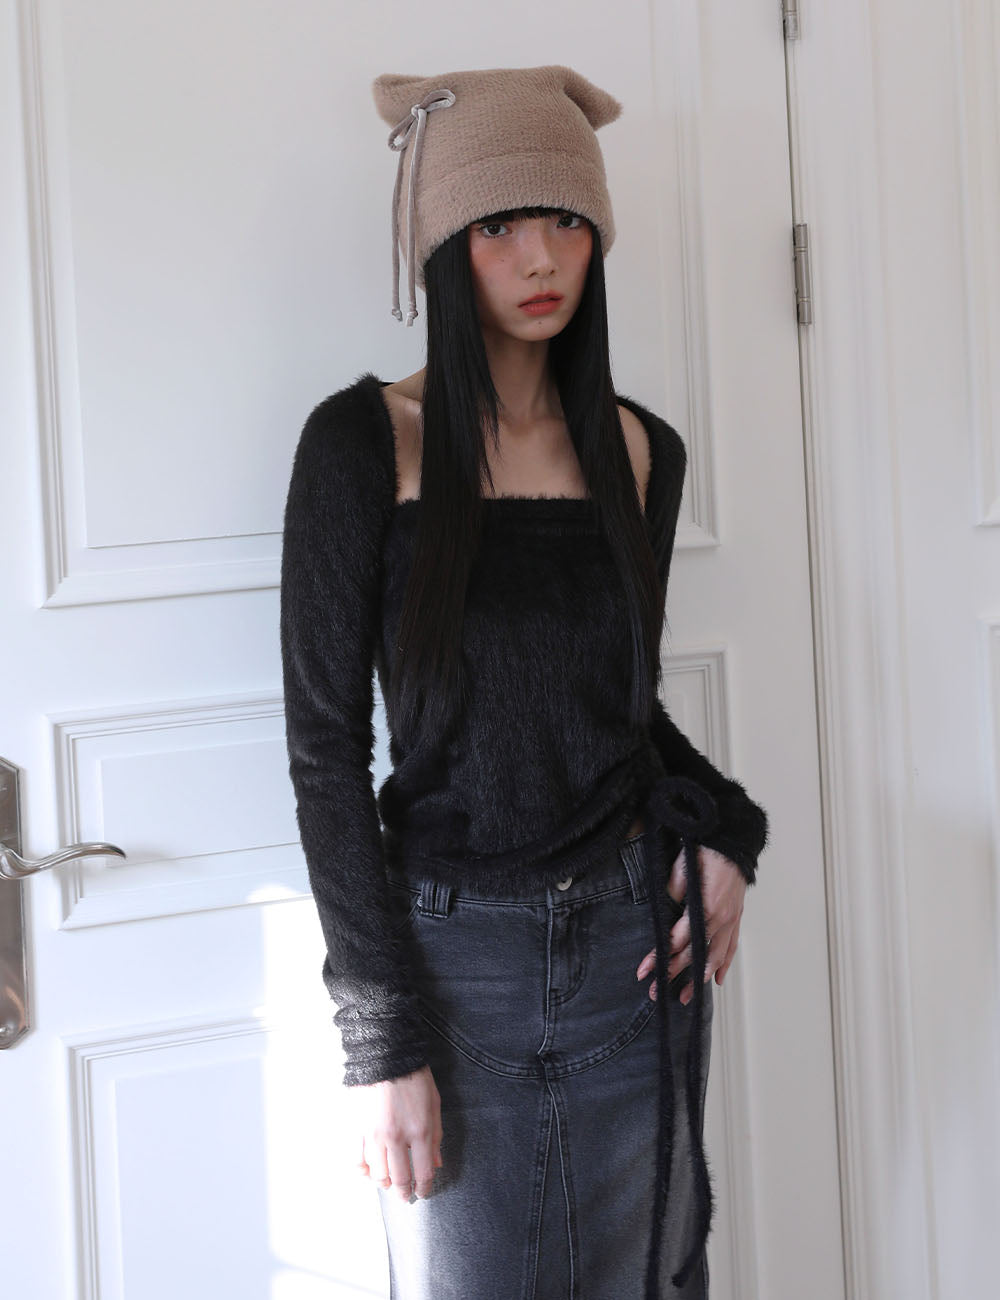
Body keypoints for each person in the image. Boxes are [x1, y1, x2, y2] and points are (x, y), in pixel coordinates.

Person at [279, 64, 769, 1300]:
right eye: (499, 224)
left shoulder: (641, 450)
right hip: (457, 972)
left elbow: (619, 715)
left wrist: (728, 830)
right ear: (444, 246)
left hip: (634, 955)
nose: (541, 257)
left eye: (566, 220)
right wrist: (380, 1037)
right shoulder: (362, 445)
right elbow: (326, 753)